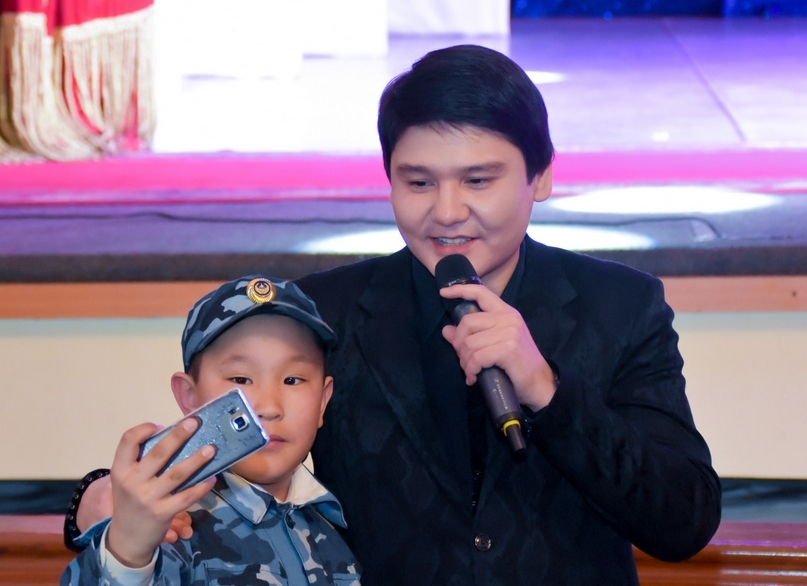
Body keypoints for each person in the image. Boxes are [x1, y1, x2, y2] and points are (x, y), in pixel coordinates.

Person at [65, 44, 721, 584]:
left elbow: (682, 522)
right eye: (418, 182)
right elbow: (228, 437)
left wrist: (544, 388)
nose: (447, 211)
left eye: (478, 180)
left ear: (541, 176)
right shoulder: (325, 311)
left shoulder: (619, 305)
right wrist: (94, 499)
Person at [60, 275, 361, 585]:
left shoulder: (334, 533)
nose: (270, 407)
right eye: (240, 379)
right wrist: (127, 551)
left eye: (293, 380)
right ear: (190, 397)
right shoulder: (168, 527)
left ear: (322, 401)